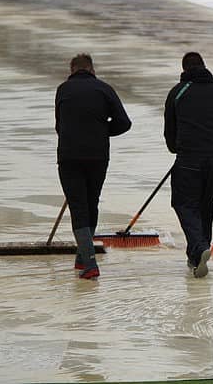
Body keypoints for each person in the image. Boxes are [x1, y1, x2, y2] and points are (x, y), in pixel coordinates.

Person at [55, 53, 131, 279]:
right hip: (98, 156)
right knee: (91, 202)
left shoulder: (62, 90)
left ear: (72, 70)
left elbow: (59, 126)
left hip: (69, 156)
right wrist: (100, 131)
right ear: (91, 69)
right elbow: (124, 123)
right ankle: (83, 256)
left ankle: (89, 263)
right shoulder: (104, 89)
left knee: (78, 207)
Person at [164, 52, 213, 278]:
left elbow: (170, 132)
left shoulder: (178, 92)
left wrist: (177, 149)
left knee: (183, 203)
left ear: (184, 69)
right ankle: (196, 258)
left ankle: (200, 246)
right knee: (205, 204)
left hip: (189, 158)